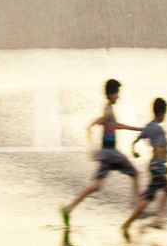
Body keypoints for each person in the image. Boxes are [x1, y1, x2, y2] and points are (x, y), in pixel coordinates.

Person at [61, 78, 142, 229]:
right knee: (135, 173)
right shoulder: (107, 111)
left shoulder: (108, 109)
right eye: (117, 94)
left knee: (97, 186)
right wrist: (92, 145)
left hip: (106, 153)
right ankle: (136, 208)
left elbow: (112, 125)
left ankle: (69, 208)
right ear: (111, 94)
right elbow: (101, 123)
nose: (118, 97)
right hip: (111, 153)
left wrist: (137, 129)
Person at [121, 97, 167, 240]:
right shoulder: (159, 130)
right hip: (157, 167)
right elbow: (159, 149)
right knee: (147, 199)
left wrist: (134, 151)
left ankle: (158, 219)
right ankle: (128, 223)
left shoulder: (150, 126)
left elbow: (136, 139)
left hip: (153, 166)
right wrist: (163, 168)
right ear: (162, 113)